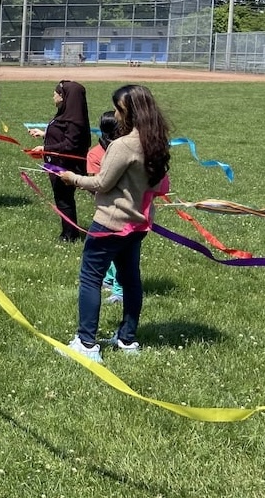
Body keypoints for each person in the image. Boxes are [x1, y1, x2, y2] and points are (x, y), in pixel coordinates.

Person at [58, 85, 171, 362]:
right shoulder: (156, 142)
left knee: (91, 278)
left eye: (119, 110)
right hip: (137, 226)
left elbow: (101, 183)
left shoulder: (123, 145)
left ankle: (86, 343)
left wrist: (72, 178)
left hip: (110, 224)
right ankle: (127, 339)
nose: (117, 116)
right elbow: (161, 186)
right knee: (131, 280)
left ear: (131, 112)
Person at [28, 80, 92, 242]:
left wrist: (46, 149)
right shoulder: (66, 114)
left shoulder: (74, 121)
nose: (53, 95)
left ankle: (69, 235)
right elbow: (63, 137)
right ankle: (69, 232)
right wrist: (44, 134)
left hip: (65, 167)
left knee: (64, 200)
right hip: (57, 163)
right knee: (62, 199)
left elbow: (70, 145)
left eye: (56, 93)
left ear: (64, 96)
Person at [86, 111, 124, 305]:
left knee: (118, 250)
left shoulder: (125, 149)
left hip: (125, 212)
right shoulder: (96, 153)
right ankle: (109, 280)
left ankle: (119, 289)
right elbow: (95, 184)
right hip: (106, 210)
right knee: (106, 247)